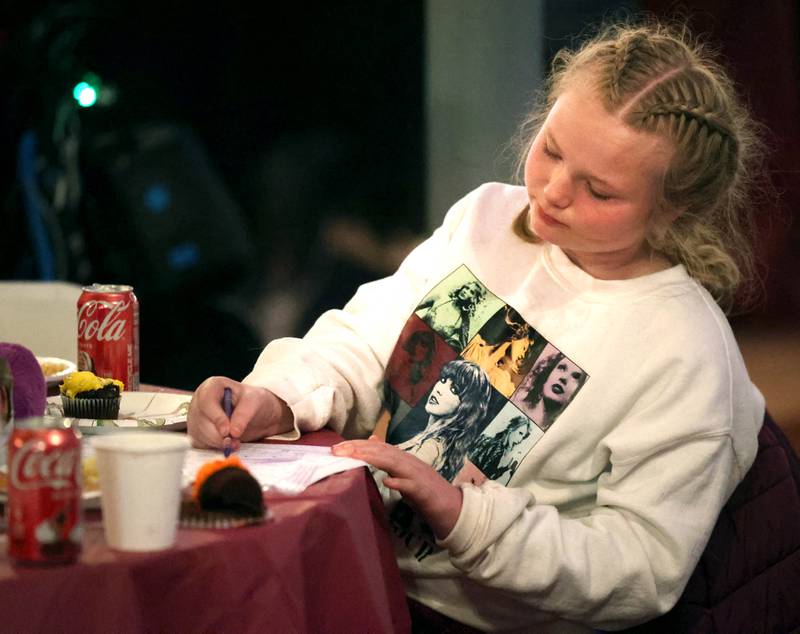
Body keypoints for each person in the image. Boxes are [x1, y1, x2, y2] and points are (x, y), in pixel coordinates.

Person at [188, 19, 767, 632]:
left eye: (598, 190)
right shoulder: (489, 217)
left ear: (671, 209)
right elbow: (366, 339)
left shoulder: (684, 353)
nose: (552, 191)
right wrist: (277, 397)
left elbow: (638, 568)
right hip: (353, 560)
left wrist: (466, 515)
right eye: (551, 149)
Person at [393, 359, 493, 482]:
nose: (439, 389)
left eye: (454, 390)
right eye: (443, 380)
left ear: (465, 407)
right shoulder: (434, 441)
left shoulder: (431, 447)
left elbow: (392, 492)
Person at [513, 346, 588, 430]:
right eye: (561, 368)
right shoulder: (516, 407)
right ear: (547, 374)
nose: (563, 378)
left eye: (575, 377)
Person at [468, 414, 533, 485]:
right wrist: (504, 469)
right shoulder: (495, 446)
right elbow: (480, 476)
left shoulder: (499, 447)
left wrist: (505, 468)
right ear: (512, 428)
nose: (520, 440)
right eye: (520, 433)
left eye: (523, 437)